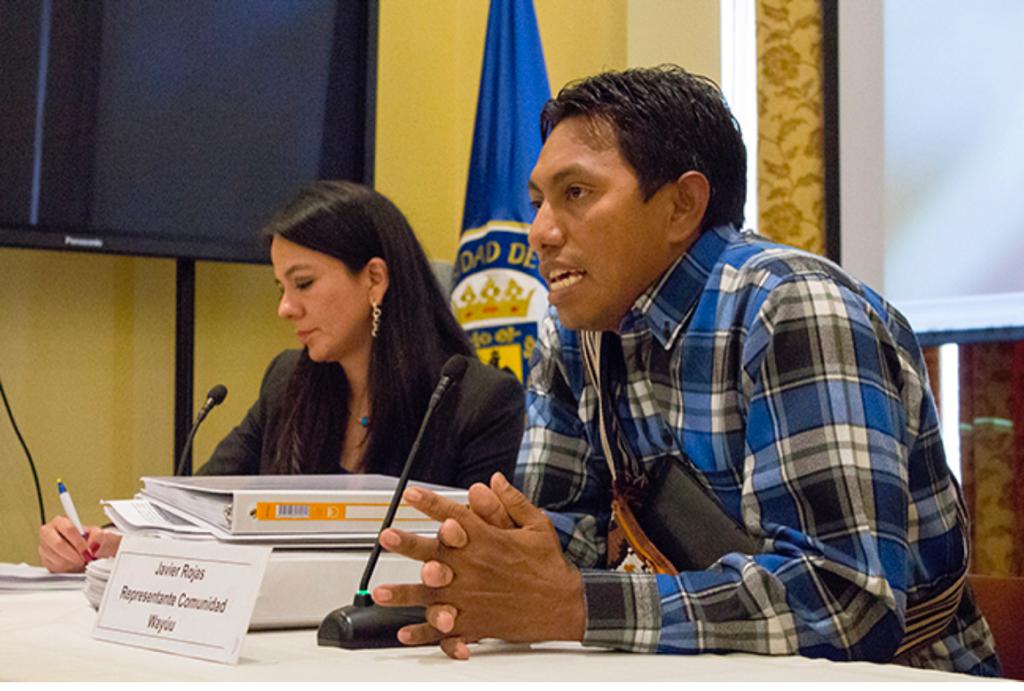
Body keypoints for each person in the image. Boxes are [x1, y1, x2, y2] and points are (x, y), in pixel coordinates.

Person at [370, 66, 1001, 676]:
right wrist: (489, 570)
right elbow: (568, 534)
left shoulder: (792, 306)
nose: (539, 232)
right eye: (537, 202)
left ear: (682, 206)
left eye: (576, 194)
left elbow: (845, 602)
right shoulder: (573, 332)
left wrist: (578, 605)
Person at [38, 180, 525, 573]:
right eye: (281, 287)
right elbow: (199, 506)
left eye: (304, 283)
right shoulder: (287, 381)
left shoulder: (478, 401)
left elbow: (479, 563)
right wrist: (106, 540)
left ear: (374, 279)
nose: (285, 308)